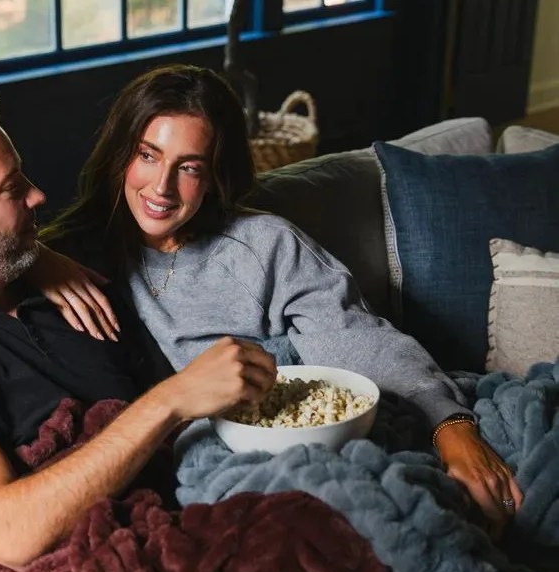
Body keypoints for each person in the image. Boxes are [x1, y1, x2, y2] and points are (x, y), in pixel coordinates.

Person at [39, 63, 523, 537]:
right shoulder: (73, 257)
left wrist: (450, 425)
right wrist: (40, 258)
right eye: (147, 155)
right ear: (120, 154)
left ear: (214, 177)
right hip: (181, 467)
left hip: (297, 442)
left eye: (188, 167)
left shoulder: (263, 245)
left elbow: (353, 337)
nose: (161, 187)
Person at [0, 89, 277, 569]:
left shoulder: (66, 291)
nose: (38, 195)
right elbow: (9, 533)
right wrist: (172, 399)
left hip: (186, 526)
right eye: (11, 188)